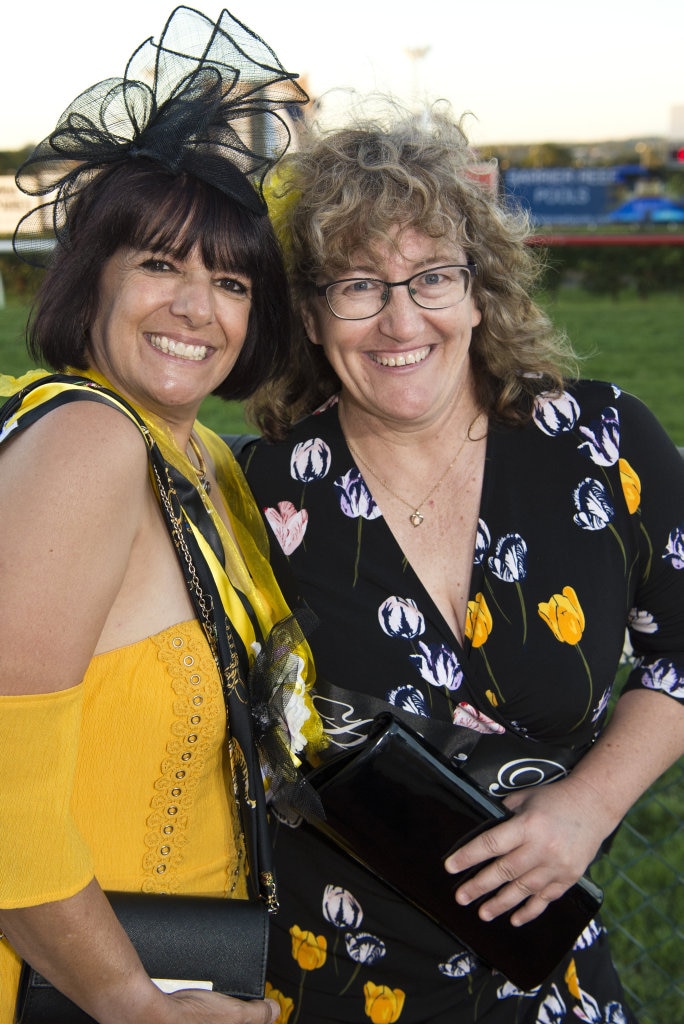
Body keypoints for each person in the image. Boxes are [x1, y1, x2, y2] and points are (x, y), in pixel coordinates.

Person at [238, 100, 684, 1023]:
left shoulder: (602, 443)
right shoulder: (260, 494)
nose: (401, 321)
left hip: (552, 979)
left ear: (481, 292)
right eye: (357, 286)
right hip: (329, 989)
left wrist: (590, 806)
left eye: (431, 277)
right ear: (313, 318)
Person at [0, 8, 324, 1024]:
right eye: (159, 264)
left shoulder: (204, 459)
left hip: (190, 966)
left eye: (229, 280)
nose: (197, 306)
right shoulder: (88, 444)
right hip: (81, 990)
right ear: (91, 274)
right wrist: (128, 1002)